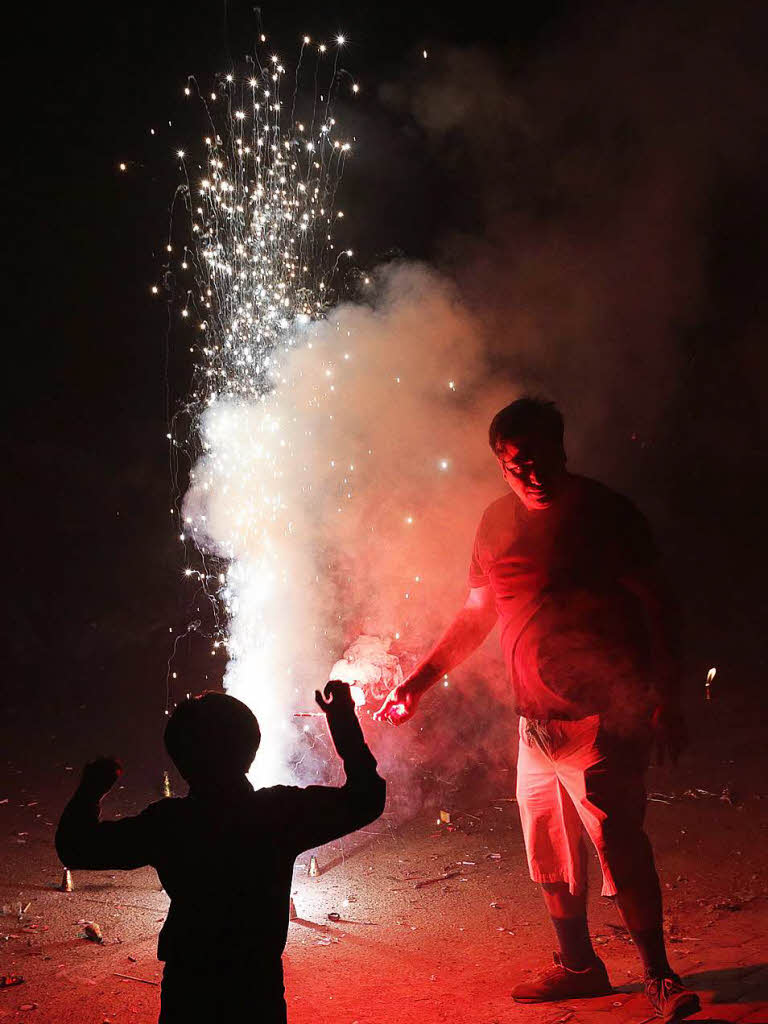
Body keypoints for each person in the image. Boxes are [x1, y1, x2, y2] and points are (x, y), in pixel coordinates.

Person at [376, 396, 700, 1022]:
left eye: (539, 458)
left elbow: (660, 603)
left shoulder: (607, 514)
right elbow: (477, 614)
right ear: (500, 465)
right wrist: (419, 682)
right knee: (549, 851)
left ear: (562, 450)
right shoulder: (496, 524)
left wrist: (666, 695)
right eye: (513, 464)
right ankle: (580, 968)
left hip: (600, 718)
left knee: (621, 845)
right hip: (534, 725)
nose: (529, 474)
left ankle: (659, 975)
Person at [56, 681, 385, 1023]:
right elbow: (366, 800)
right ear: (251, 747)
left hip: (189, 990)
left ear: (181, 758)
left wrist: (90, 791)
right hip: (257, 992)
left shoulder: (169, 824)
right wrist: (344, 722)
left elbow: (75, 847)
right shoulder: (278, 813)